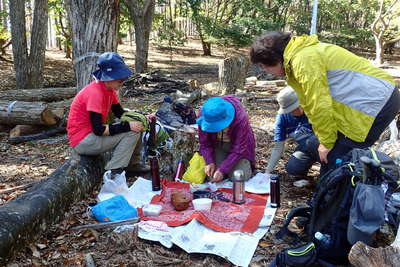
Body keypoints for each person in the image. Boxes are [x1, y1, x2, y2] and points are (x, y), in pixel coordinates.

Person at [250, 32, 400, 175]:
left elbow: (318, 103)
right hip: (376, 99)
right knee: (335, 155)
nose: (268, 72)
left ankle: (343, 195)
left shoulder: (304, 59)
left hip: (377, 102)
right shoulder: (302, 54)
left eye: (265, 66)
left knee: (337, 156)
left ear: (275, 59)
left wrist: (326, 143)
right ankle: (331, 194)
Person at [67, 52, 149, 175]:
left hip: (90, 136)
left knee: (135, 126)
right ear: (109, 78)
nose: (122, 84)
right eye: (120, 80)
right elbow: (98, 130)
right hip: (83, 140)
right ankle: (114, 171)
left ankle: (132, 164)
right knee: (132, 132)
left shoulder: (109, 90)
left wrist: (139, 117)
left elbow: (119, 113)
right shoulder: (95, 93)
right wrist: (128, 126)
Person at [197, 96, 256, 182]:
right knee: (212, 176)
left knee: (238, 176)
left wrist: (223, 170)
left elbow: (239, 149)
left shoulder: (240, 117)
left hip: (239, 150)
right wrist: (209, 162)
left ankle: (246, 165)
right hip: (218, 145)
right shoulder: (205, 115)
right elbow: (205, 143)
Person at [266, 86, 318, 177]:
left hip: (324, 145)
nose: (293, 111)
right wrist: (267, 172)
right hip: (305, 149)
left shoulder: (314, 109)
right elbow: (278, 147)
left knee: (313, 141)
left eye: (295, 108)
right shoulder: (282, 118)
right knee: (292, 167)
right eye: (290, 110)